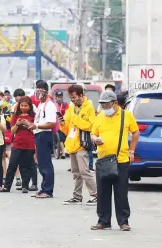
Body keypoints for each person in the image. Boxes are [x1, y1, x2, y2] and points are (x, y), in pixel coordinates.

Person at [90, 91, 139, 231]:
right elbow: (93, 133)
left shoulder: (126, 115)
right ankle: (103, 221)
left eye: (106, 104)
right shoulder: (100, 117)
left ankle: (123, 221)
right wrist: (95, 139)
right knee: (103, 192)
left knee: (121, 192)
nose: (105, 108)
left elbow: (135, 132)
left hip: (121, 160)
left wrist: (131, 150)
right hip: (103, 160)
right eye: (102, 105)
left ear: (115, 103)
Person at [59, 85, 98, 205]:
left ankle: (96, 195)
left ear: (81, 95)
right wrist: (62, 123)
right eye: (71, 97)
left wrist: (76, 120)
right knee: (76, 173)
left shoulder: (89, 108)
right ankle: (77, 196)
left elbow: (91, 126)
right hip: (72, 144)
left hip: (82, 144)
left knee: (85, 171)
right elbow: (68, 128)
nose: (72, 100)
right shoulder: (71, 108)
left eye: (74, 97)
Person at [0, 97, 36, 193]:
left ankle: (25, 186)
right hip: (17, 143)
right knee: (12, 165)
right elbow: (12, 131)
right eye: (22, 105)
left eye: (26, 106)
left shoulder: (34, 116)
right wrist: (18, 124)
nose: (23, 107)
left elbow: (35, 129)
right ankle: (7, 186)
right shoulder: (15, 116)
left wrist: (28, 124)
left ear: (30, 106)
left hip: (29, 143)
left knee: (25, 166)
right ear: (19, 106)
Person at [28, 80, 56, 199]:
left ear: (46, 92)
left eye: (41, 91)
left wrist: (37, 126)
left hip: (45, 135)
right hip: (38, 134)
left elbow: (51, 124)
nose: (39, 94)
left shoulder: (50, 105)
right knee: (41, 163)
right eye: (37, 91)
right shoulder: (40, 105)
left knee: (46, 163)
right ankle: (43, 188)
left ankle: (48, 190)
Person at [55, 91, 69, 159]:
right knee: (60, 138)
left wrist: (62, 119)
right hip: (56, 123)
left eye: (60, 97)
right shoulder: (54, 105)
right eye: (58, 97)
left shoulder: (65, 104)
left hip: (64, 123)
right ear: (56, 97)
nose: (59, 98)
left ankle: (62, 151)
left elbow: (66, 113)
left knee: (63, 138)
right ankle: (63, 153)